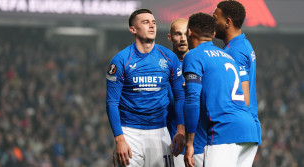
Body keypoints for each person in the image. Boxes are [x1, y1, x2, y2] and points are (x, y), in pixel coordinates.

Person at [106, 8, 185, 167]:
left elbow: (180, 96)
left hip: (160, 133)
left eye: (154, 22)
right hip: (130, 133)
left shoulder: (169, 58)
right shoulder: (120, 60)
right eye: (145, 22)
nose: (152, 26)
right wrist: (119, 138)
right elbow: (111, 103)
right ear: (133, 29)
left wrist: (181, 130)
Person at [182, 12, 258, 167]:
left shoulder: (194, 56)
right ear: (213, 33)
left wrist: (189, 142)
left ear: (189, 32)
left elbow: (192, 101)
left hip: (224, 131)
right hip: (249, 131)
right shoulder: (227, 56)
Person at [213, 0, 261, 149]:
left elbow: (244, 99)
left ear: (228, 22)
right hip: (247, 129)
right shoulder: (243, 44)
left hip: (235, 132)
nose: (212, 23)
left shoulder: (235, 51)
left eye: (215, 19)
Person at [166, 18, 206, 167]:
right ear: (170, 37)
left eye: (185, 34)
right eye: (178, 34)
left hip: (201, 146)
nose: (183, 38)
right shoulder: (163, 67)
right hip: (172, 145)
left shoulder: (202, 65)